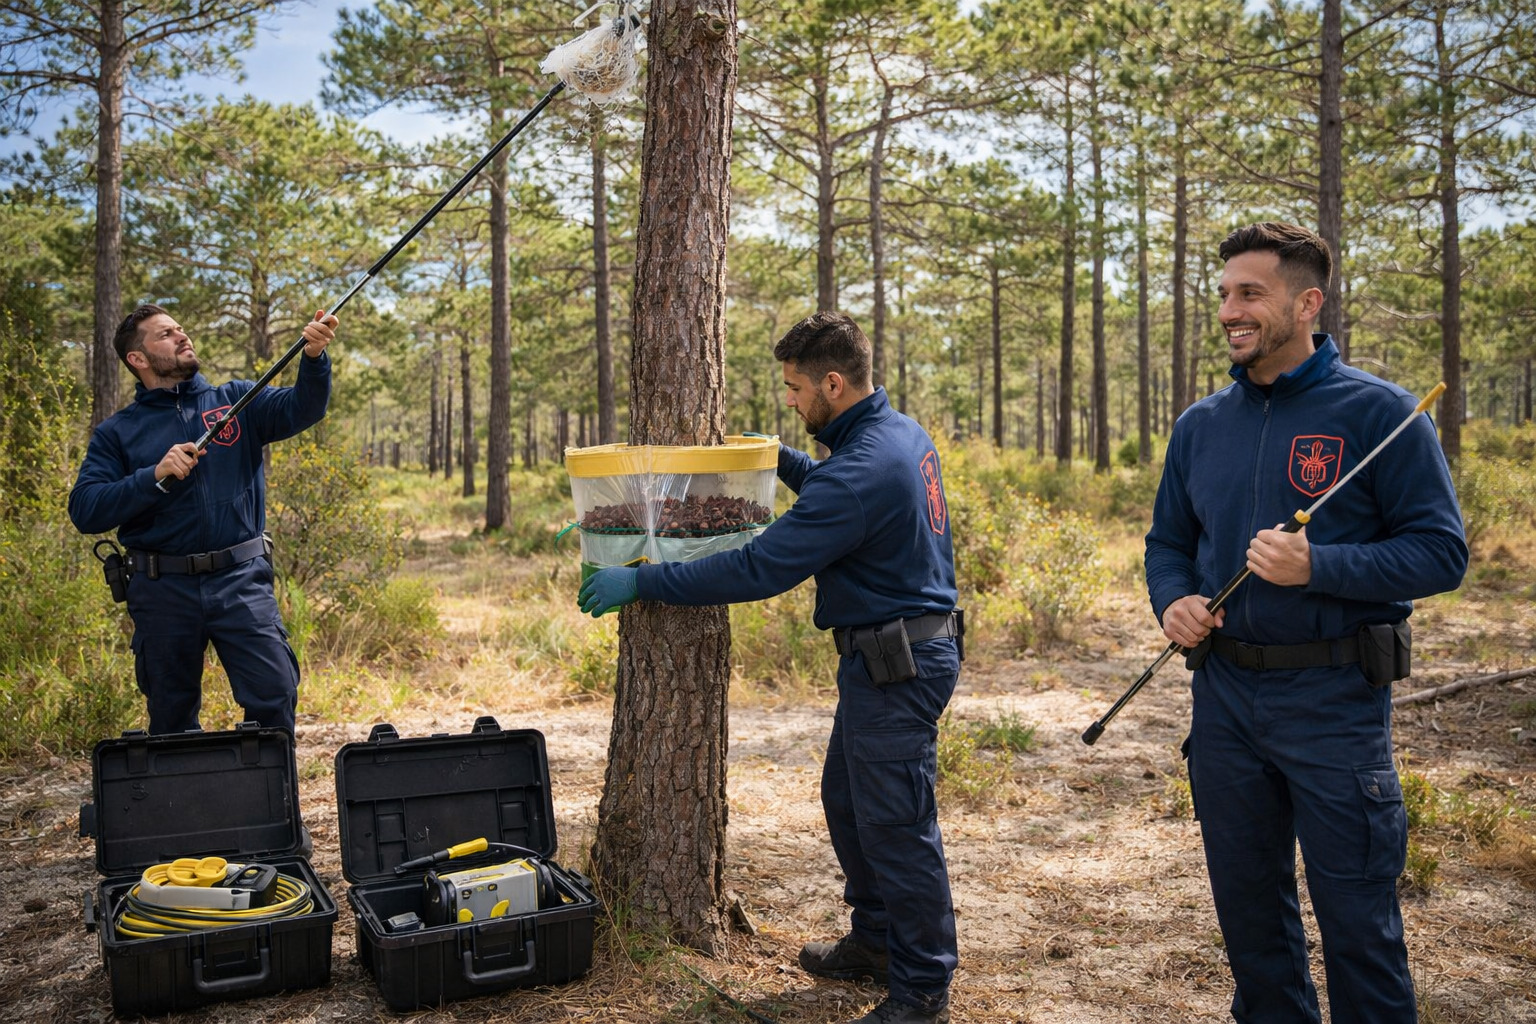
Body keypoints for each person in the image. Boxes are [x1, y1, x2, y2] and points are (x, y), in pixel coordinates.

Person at [579, 311, 962, 1024]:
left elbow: (760, 567)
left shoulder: (859, 471)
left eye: (794, 389)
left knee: (897, 825)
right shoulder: (895, 434)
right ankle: (877, 941)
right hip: (893, 654)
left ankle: (922, 989)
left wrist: (645, 582)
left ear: (835, 383)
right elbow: (846, 495)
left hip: (899, 662)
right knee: (850, 803)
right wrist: (785, 461)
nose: (788, 399)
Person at [1145, 222, 1467, 1024]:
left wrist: (1320, 565)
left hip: (1334, 702)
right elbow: (1168, 544)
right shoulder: (1200, 425)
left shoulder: (1381, 413)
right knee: (1251, 923)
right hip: (1223, 705)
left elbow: (1441, 554)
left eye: (1250, 293)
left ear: (1307, 301)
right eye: (1224, 295)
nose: (1230, 311)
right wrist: (1174, 601)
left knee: (1359, 927)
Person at [69, 304, 338, 735]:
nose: (181, 336)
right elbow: (85, 508)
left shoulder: (237, 400)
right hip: (162, 590)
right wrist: (153, 476)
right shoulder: (117, 433)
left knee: (275, 693)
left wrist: (313, 359)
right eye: (164, 334)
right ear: (137, 359)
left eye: (180, 328)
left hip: (241, 580)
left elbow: (302, 408)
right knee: (171, 715)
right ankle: (187, 801)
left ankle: (273, 802)